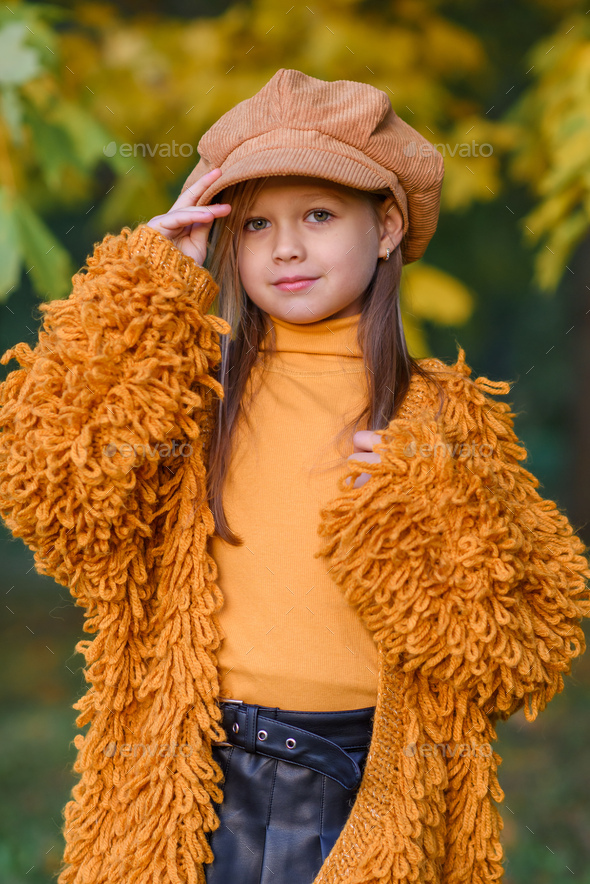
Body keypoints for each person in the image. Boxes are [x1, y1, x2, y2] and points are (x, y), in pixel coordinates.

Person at [0, 68, 589, 884]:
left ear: (385, 227)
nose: (284, 247)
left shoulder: (444, 420)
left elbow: (521, 651)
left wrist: (439, 514)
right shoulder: (184, 390)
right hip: (189, 782)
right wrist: (151, 286)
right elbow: (48, 489)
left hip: (361, 787)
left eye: (318, 215)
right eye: (254, 225)